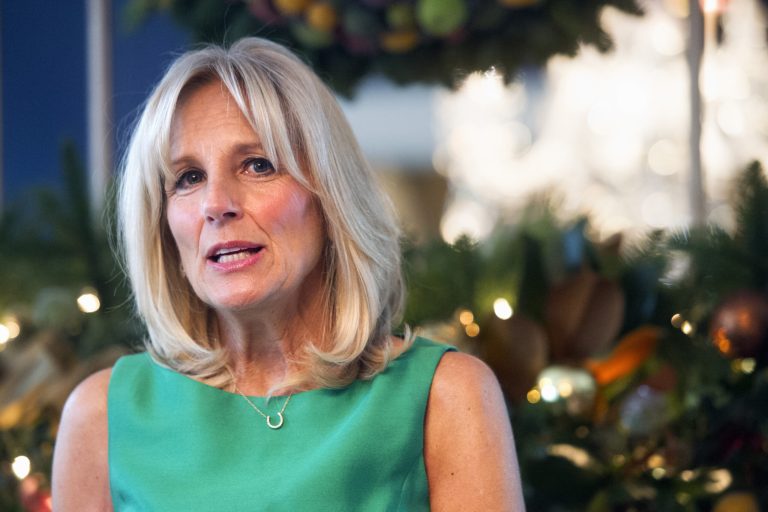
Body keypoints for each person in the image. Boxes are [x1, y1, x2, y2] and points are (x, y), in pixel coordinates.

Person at [52, 37, 526, 511]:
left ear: (329, 198)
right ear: (162, 222)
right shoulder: (100, 416)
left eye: (258, 165)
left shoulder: (447, 395)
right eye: (188, 178)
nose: (216, 205)